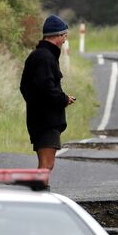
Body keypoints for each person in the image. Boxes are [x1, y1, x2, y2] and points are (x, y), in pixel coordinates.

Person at [20, 14, 75, 189]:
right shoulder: (44, 58)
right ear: (58, 36)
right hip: (46, 121)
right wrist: (63, 99)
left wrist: (37, 104)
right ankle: (40, 197)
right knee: (46, 165)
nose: (65, 40)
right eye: (64, 36)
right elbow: (47, 89)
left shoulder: (41, 56)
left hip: (41, 119)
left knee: (45, 165)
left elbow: (27, 88)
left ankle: (40, 196)